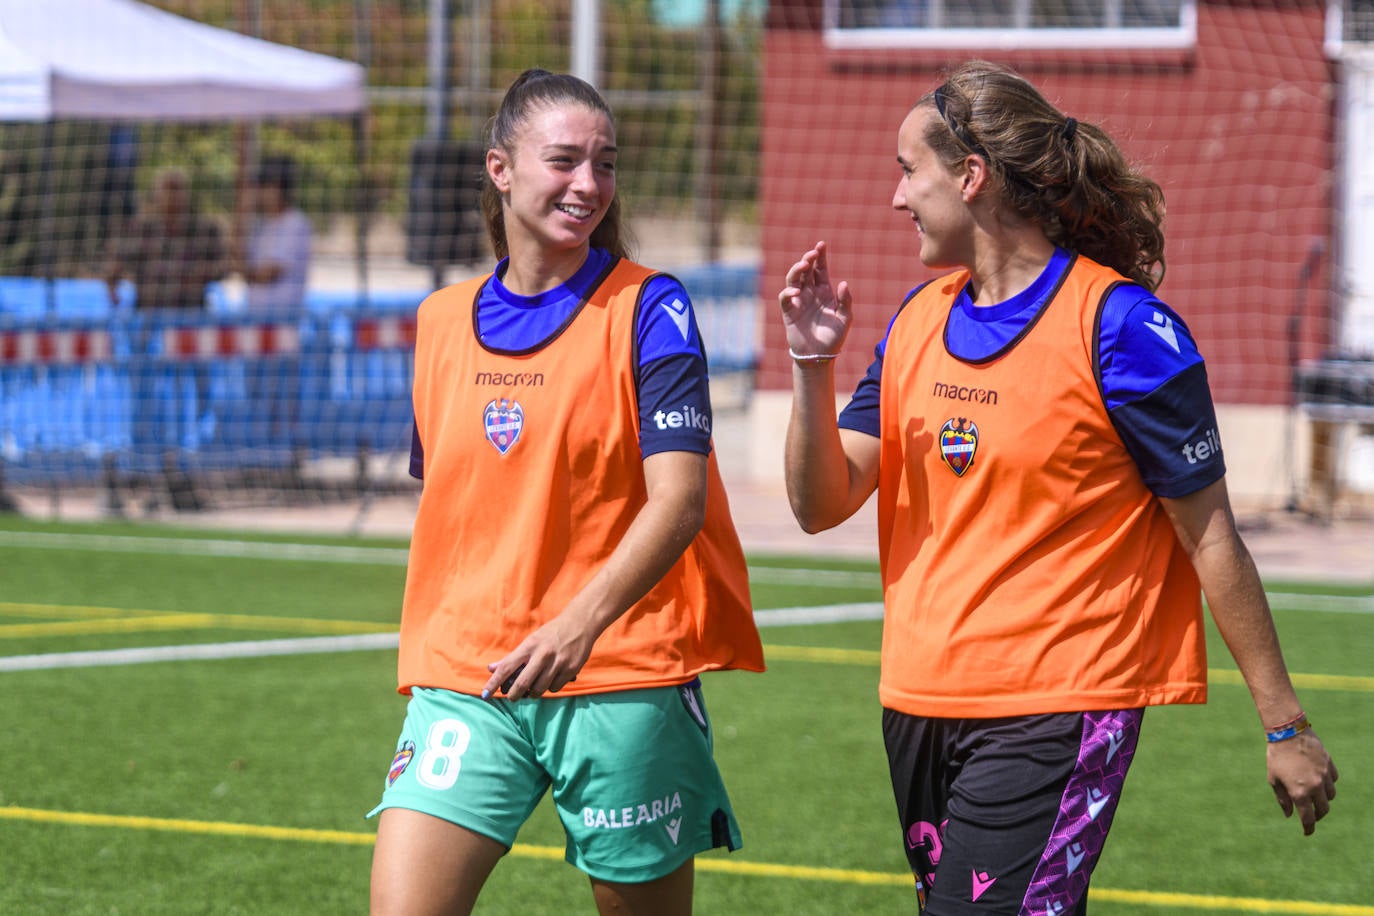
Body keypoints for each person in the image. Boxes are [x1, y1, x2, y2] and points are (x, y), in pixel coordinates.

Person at [778, 60, 1338, 914]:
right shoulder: (916, 321)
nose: (897, 199)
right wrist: (811, 365)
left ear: (969, 177)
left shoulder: (1122, 328)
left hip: (1061, 705)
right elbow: (821, 504)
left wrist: (1284, 722)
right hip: (919, 700)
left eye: (908, 172)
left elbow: (1212, 534)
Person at [368, 69, 765, 916]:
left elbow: (679, 503)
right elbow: (455, 501)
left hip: (618, 676)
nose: (588, 184)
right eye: (565, 161)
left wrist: (575, 626)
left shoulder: (651, 308)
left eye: (606, 163)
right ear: (500, 169)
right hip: (465, 678)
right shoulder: (439, 320)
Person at [105, 167, 227, 505]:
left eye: (178, 190)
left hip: (191, 327)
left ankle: (184, 466)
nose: (172, 197)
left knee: (191, 399)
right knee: (151, 399)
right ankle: (145, 466)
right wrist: (112, 284)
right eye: (166, 190)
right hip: (151, 326)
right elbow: (115, 265)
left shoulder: (203, 230)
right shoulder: (142, 229)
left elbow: (224, 265)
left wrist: (198, 275)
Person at [234, 155, 312, 447]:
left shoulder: (296, 224)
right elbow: (241, 262)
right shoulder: (262, 225)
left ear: (278, 188)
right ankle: (263, 448)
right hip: (257, 322)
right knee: (256, 390)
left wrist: (245, 271)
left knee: (282, 391)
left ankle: (287, 449)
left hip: (283, 322)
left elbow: (268, 273)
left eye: (264, 187)